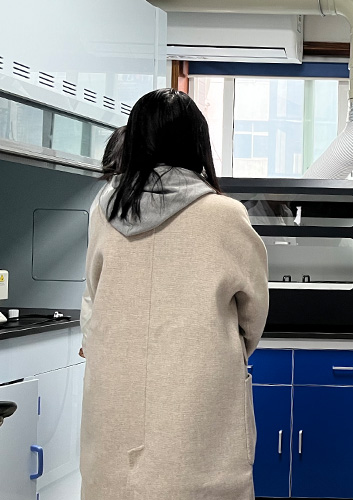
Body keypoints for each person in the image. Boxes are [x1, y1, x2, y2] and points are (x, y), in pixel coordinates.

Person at [80, 88, 269, 500]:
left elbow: (94, 291)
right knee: (197, 479)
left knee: (115, 481)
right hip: (197, 389)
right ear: (197, 142)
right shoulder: (224, 215)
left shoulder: (105, 210)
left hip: (115, 385)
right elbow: (253, 312)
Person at [79, 125, 127, 359]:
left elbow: (93, 284)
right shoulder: (113, 200)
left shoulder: (104, 198)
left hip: (108, 331)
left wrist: (88, 338)